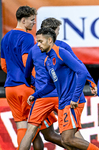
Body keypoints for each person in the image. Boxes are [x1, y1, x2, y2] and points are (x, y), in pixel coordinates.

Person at [19, 17, 97, 149]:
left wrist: (77, 95)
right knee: (66, 139)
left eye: (40, 41)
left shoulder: (60, 51)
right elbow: (50, 84)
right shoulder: (48, 60)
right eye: (57, 31)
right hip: (59, 98)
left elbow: (80, 70)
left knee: (33, 131)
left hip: (69, 99)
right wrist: (36, 94)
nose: (38, 44)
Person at [0, 5, 53, 150]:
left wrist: (13, 73)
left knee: (22, 126)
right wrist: (37, 84)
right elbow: (27, 63)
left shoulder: (5, 38)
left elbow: (3, 65)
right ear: (23, 20)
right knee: (35, 129)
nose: (33, 23)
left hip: (10, 88)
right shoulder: (28, 37)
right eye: (31, 20)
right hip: (26, 87)